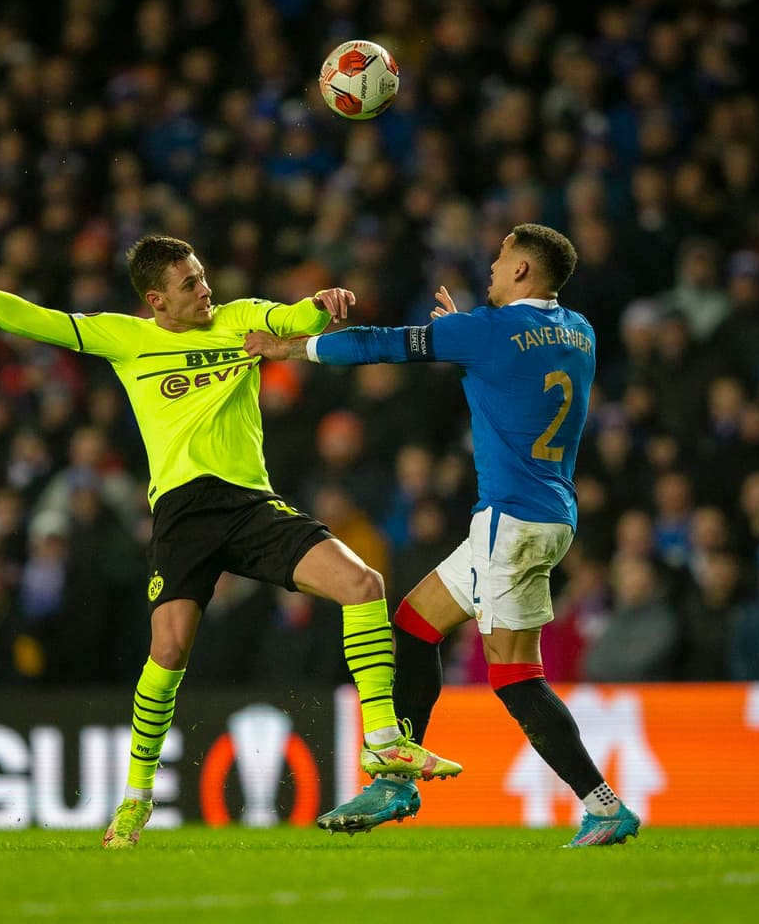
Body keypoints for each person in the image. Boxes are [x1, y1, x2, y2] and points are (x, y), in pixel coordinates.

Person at [0, 236, 460, 849]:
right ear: (156, 300)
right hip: (183, 515)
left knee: (363, 583)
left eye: (203, 276)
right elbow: (30, 319)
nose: (205, 290)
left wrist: (320, 305)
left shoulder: (238, 318)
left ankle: (383, 742)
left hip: (251, 504)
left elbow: (292, 319)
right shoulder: (125, 338)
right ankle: (136, 799)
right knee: (169, 650)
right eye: (190, 284)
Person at [244, 223, 639, 847]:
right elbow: (514, 369)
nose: (492, 267)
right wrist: (461, 334)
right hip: (549, 514)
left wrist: (293, 350)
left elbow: (378, 344)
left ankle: (603, 804)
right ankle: (396, 781)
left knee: (515, 677)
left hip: (510, 522)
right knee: (414, 624)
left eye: (501, 258)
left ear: (521, 271)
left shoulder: (486, 330)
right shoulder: (580, 331)